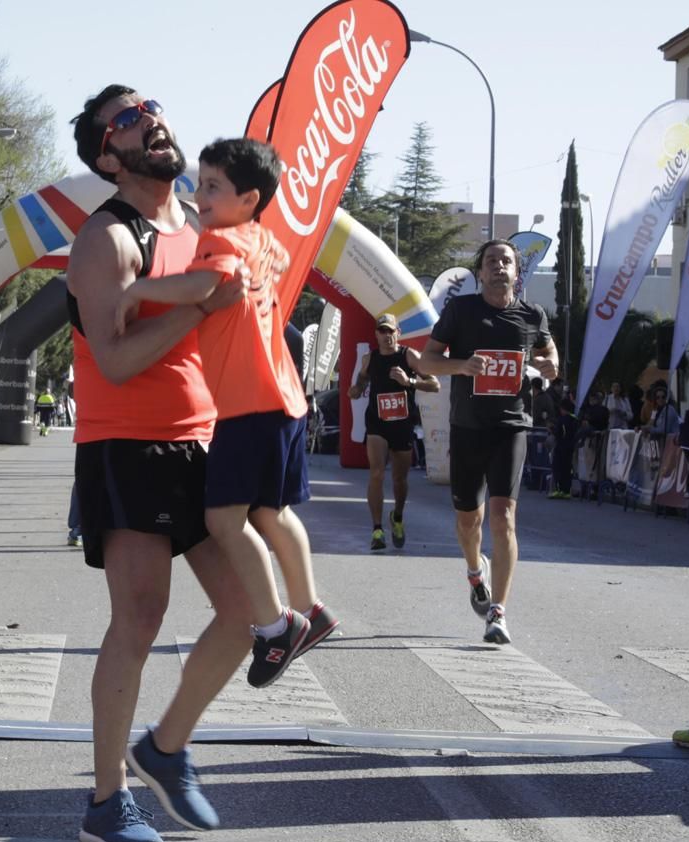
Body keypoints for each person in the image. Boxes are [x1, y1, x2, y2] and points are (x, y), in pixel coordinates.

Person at [68, 86, 254, 842]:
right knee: (139, 621)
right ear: (108, 155)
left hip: (205, 441)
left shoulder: (205, 223)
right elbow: (112, 363)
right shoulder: (106, 239)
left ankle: (165, 747)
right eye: (129, 119)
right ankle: (107, 803)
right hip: (127, 444)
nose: (152, 120)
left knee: (249, 610)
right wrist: (193, 310)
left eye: (151, 106)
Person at [114, 136, 339, 688]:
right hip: (284, 400)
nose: (200, 193)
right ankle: (311, 609)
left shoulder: (220, 239)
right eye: (200, 182)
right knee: (272, 513)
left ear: (249, 197)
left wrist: (137, 290)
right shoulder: (262, 238)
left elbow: (205, 283)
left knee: (223, 521)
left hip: (245, 405)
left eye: (213, 186)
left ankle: (273, 626)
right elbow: (278, 262)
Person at [419, 239, 559, 645]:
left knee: (504, 517)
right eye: (492, 261)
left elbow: (552, 360)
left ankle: (497, 612)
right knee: (469, 520)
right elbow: (426, 360)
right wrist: (461, 365)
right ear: (479, 272)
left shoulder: (533, 315)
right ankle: (474, 571)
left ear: (517, 272)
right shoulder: (461, 311)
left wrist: (548, 364)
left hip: (511, 426)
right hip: (468, 427)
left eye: (507, 261)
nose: (499, 266)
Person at [347, 312, 439, 551]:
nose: (387, 336)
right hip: (377, 423)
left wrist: (409, 382)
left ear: (398, 333)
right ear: (376, 334)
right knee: (376, 472)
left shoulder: (409, 356)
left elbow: (434, 384)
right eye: (382, 331)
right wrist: (356, 390)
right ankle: (377, 529)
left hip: (402, 423)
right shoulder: (370, 359)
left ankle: (397, 516)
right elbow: (361, 382)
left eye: (391, 331)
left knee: (399, 479)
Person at [549, 397, 578, 500]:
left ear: (563, 409)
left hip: (561, 446)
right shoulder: (575, 419)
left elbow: (559, 433)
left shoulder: (562, 419)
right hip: (570, 447)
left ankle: (558, 490)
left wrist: (552, 429)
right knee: (567, 469)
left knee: (558, 467)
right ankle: (566, 491)